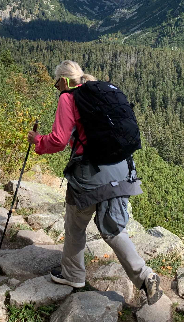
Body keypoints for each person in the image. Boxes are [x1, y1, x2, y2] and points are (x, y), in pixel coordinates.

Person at [27, 60, 163, 305]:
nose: (57, 87)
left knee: (75, 224)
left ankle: (73, 275)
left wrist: (37, 141)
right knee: (113, 228)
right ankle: (145, 276)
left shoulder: (68, 98)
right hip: (122, 168)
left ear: (65, 81)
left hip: (90, 174)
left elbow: (58, 140)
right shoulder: (101, 93)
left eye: (56, 83)